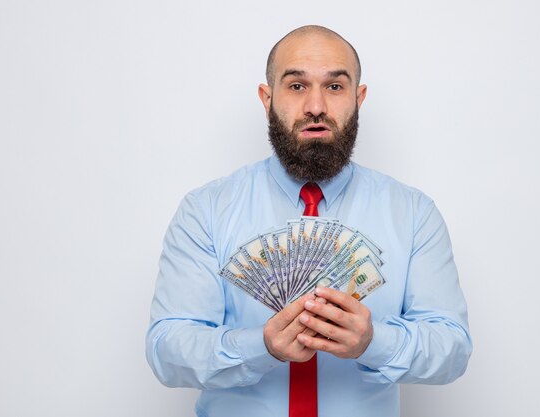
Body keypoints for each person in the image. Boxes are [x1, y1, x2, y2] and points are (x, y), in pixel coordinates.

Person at [146, 25, 472, 417]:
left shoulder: (414, 213)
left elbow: (452, 349)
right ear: (267, 99)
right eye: (296, 86)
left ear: (358, 98)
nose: (315, 106)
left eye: (335, 87)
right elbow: (167, 349)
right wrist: (259, 347)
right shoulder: (206, 210)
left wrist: (374, 341)